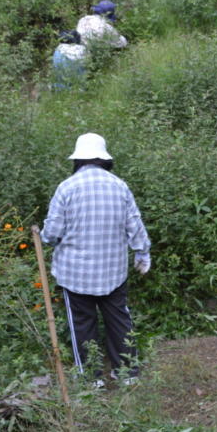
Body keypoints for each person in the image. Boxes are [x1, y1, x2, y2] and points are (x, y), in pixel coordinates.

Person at [40, 132, 151, 384]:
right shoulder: (119, 186)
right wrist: (142, 252)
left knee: (82, 324)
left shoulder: (66, 188)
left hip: (75, 274)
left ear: (78, 160)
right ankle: (127, 373)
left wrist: (45, 236)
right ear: (105, 159)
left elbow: (52, 234)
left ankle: (91, 379)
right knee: (119, 318)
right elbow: (135, 224)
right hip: (113, 271)